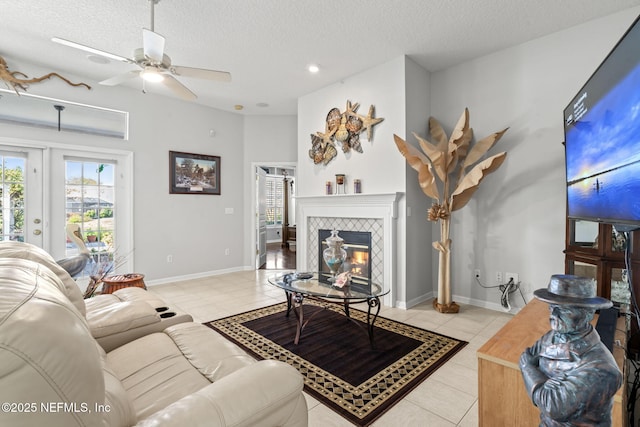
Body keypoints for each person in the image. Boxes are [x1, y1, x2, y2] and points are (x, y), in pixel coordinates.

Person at [519, 274, 623, 426]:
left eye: (564, 309)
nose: (554, 315)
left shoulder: (602, 369)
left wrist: (528, 368)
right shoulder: (553, 337)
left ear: (588, 314)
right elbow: (528, 355)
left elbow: (553, 406)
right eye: (552, 307)